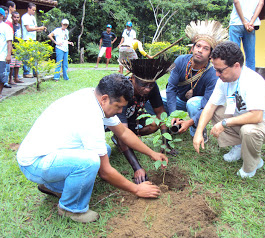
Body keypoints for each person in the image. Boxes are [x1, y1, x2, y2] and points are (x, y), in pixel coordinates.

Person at [17, 74, 167, 223]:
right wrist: (137, 189)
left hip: (50, 153)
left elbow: (123, 132)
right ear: (105, 99)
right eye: (119, 106)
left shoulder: (95, 97)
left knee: (105, 150)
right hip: (35, 163)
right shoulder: (90, 116)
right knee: (90, 161)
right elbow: (105, 172)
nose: (121, 111)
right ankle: (71, 208)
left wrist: (151, 153)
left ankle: (53, 185)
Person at [193, 41, 265, 178]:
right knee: (217, 112)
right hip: (244, 119)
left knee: (248, 131)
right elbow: (210, 106)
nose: (217, 74)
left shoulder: (251, 81)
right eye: (215, 69)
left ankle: (251, 166)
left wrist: (225, 123)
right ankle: (239, 147)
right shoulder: (224, 80)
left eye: (220, 70)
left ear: (236, 65)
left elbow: (257, 116)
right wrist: (198, 132)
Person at [152, 20, 227, 141]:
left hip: (197, 103)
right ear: (192, 48)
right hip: (179, 99)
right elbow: (171, 89)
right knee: (155, 98)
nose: (200, 50)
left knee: (192, 103)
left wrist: (191, 122)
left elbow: (207, 104)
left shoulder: (212, 73)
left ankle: (198, 129)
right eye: (198, 46)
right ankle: (171, 124)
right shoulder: (181, 61)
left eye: (205, 48)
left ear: (210, 55)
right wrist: (173, 114)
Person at [111, 58, 176, 184]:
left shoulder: (152, 87)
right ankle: (120, 141)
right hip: (113, 122)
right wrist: (137, 168)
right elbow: (122, 132)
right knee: (122, 135)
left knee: (153, 124)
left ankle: (129, 141)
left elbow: (160, 113)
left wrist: (165, 142)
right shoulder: (123, 90)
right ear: (133, 79)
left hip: (132, 120)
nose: (147, 89)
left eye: (151, 85)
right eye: (143, 85)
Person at [229, 0, 264, 71]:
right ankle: (250, 80)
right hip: (251, 25)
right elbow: (261, 3)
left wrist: (244, 22)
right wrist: (251, 22)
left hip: (236, 23)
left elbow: (236, 2)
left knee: (233, 55)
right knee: (250, 57)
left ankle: (235, 79)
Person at [21, 3, 47, 78]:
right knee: (27, 56)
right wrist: (39, 28)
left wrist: (41, 28)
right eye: (33, 10)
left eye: (35, 10)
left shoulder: (33, 17)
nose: (34, 12)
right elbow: (28, 29)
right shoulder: (25, 17)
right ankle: (26, 72)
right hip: (27, 39)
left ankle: (35, 72)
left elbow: (35, 28)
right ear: (28, 9)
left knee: (35, 56)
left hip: (33, 39)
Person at [0, 7, 13, 99]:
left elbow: (9, 42)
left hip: (2, 56)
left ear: (1, 16)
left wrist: (8, 55)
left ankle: (0, 93)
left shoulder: (6, 27)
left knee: (1, 76)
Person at [8, 11, 23, 85]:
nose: (16, 19)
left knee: (17, 64)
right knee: (12, 64)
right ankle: (10, 79)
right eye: (15, 17)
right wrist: (11, 48)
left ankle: (16, 78)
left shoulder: (19, 26)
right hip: (12, 47)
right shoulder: (10, 26)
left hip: (18, 47)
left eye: (18, 17)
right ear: (12, 17)